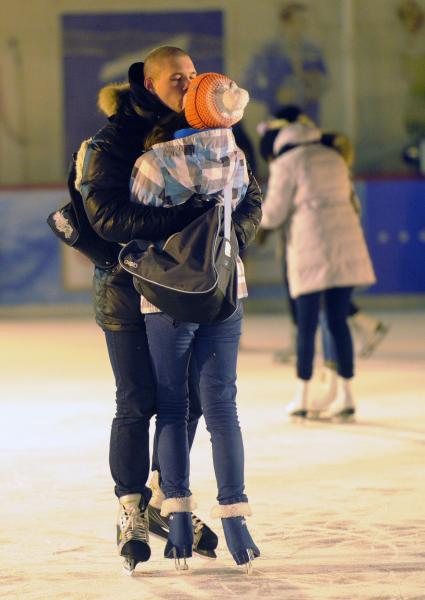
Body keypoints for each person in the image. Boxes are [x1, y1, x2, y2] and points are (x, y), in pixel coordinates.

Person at [76, 47, 262, 573]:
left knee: (193, 402)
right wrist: (188, 229)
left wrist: (223, 243)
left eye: (191, 75)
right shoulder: (112, 141)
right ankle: (131, 506)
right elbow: (107, 218)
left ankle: (164, 495)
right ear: (151, 83)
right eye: (176, 78)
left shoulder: (211, 126)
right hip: (126, 288)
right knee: (137, 401)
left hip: (193, 287)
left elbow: (251, 200)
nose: (187, 84)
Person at [128, 72, 261, 572]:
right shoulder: (238, 159)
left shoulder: (155, 161)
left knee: (172, 406)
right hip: (226, 290)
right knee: (222, 409)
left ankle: (178, 516)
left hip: (169, 295)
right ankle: (235, 520)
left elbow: (137, 221)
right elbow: (242, 212)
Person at [258, 108, 376, 420]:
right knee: (338, 321)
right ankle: (347, 396)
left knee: (306, 323)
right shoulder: (333, 156)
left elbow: (273, 213)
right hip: (345, 244)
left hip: (311, 248)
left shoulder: (287, 162)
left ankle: (302, 397)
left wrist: (256, 220)